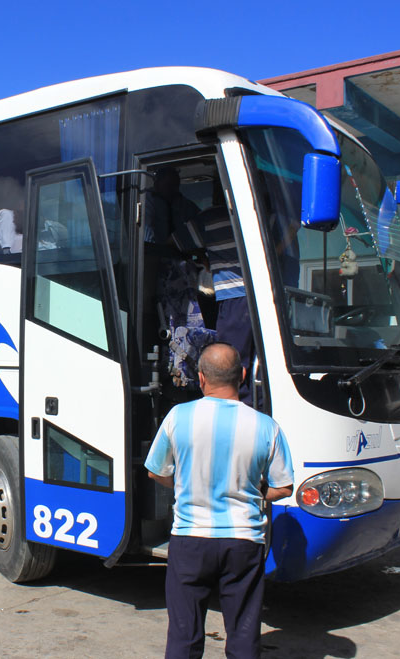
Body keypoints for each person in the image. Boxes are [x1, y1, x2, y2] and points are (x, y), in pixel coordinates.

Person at [145, 343, 293, 658]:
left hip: (190, 540)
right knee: (243, 632)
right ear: (241, 375)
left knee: (184, 635)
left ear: (200, 378)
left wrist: (184, 485)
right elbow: (284, 487)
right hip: (243, 542)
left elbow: (156, 472)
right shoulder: (267, 426)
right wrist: (255, 492)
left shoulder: (177, 417)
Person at [199, 205, 256, 406]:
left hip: (233, 294)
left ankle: (234, 410)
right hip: (258, 294)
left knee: (230, 360)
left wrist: (204, 258)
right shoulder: (255, 210)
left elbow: (175, 241)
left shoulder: (207, 218)